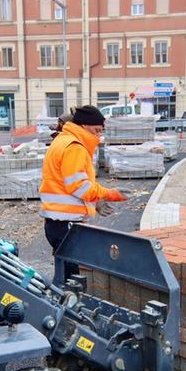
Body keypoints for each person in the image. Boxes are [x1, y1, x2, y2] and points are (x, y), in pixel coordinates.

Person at [39, 105, 127, 277]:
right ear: (84, 126)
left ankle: (62, 300)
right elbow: (79, 186)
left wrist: (95, 201)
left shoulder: (62, 140)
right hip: (66, 223)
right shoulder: (75, 147)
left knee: (64, 272)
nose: (98, 136)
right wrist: (110, 194)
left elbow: (67, 183)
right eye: (96, 130)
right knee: (72, 279)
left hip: (57, 222)